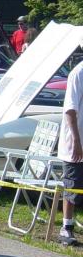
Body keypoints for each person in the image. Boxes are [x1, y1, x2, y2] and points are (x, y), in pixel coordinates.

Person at [57, 53, 83, 246]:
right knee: (72, 186)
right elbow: (70, 110)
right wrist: (76, 140)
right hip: (76, 141)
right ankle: (66, 227)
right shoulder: (78, 73)